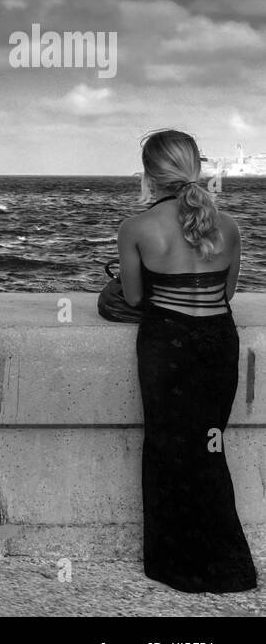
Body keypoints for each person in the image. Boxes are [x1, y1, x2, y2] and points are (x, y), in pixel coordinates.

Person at [117, 128, 257, 592]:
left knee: (167, 449)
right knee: (210, 448)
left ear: (150, 175)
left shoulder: (136, 227)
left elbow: (135, 298)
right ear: (196, 168)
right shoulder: (231, 226)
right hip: (218, 341)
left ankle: (175, 564)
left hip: (167, 344)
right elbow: (227, 292)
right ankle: (227, 565)